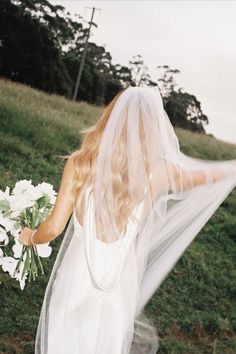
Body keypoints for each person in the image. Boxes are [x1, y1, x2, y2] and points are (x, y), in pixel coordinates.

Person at [19, 86, 236, 354]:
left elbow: (52, 228)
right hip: (118, 291)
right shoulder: (157, 174)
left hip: (76, 282)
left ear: (111, 117)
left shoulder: (80, 164)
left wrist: (30, 236)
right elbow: (208, 175)